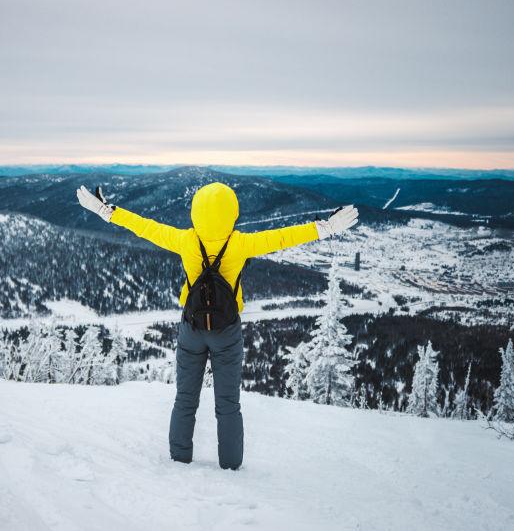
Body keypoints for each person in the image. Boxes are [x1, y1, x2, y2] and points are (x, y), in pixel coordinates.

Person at [76, 181, 358, 470]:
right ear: (232, 213)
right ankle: (231, 466)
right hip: (227, 331)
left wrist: (106, 211)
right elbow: (284, 237)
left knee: (185, 398)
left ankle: (180, 459)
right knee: (228, 404)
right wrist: (326, 227)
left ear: (196, 213)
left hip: (192, 327)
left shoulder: (184, 241)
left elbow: (144, 227)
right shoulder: (240, 244)